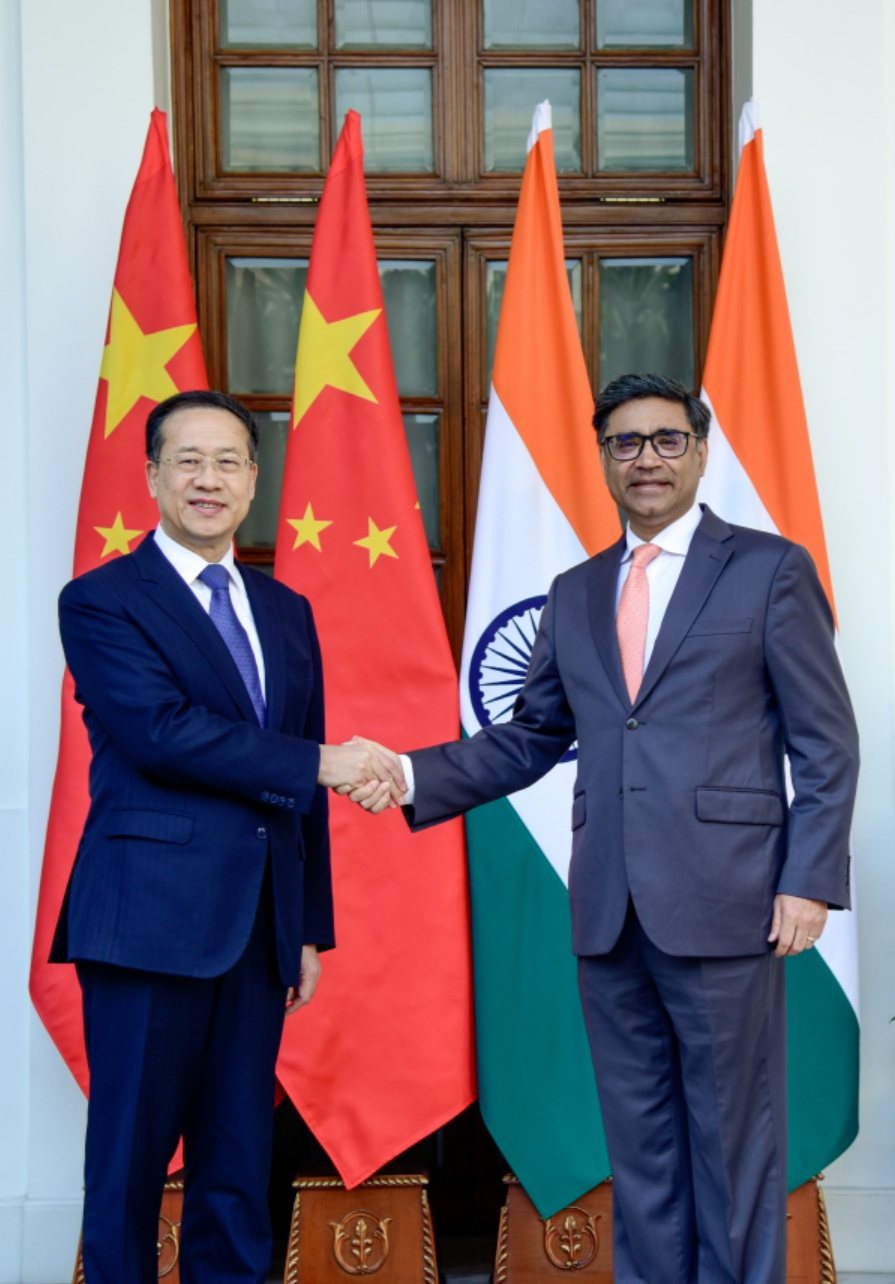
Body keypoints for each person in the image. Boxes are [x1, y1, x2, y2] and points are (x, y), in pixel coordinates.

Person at [346, 372, 859, 1283]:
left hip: (731, 903)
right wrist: (412, 774)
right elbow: (534, 735)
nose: (647, 459)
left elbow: (826, 742)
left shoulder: (769, 569)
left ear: (699, 452)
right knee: (642, 1147)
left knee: (734, 1147)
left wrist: (808, 878)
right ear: (604, 461)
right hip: (609, 910)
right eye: (626, 443)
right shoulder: (576, 590)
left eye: (666, 439)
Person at [50, 389, 405, 1284]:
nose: (207, 480)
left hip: (257, 932)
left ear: (253, 480)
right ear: (153, 476)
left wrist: (309, 925)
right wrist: (323, 761)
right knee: (128, 1168)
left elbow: (298, 782)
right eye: (188, 461)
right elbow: (157, 730)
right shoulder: (101, 601)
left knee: (239, 1167)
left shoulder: (284, 609)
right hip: (144, 924)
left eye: (228, 463)